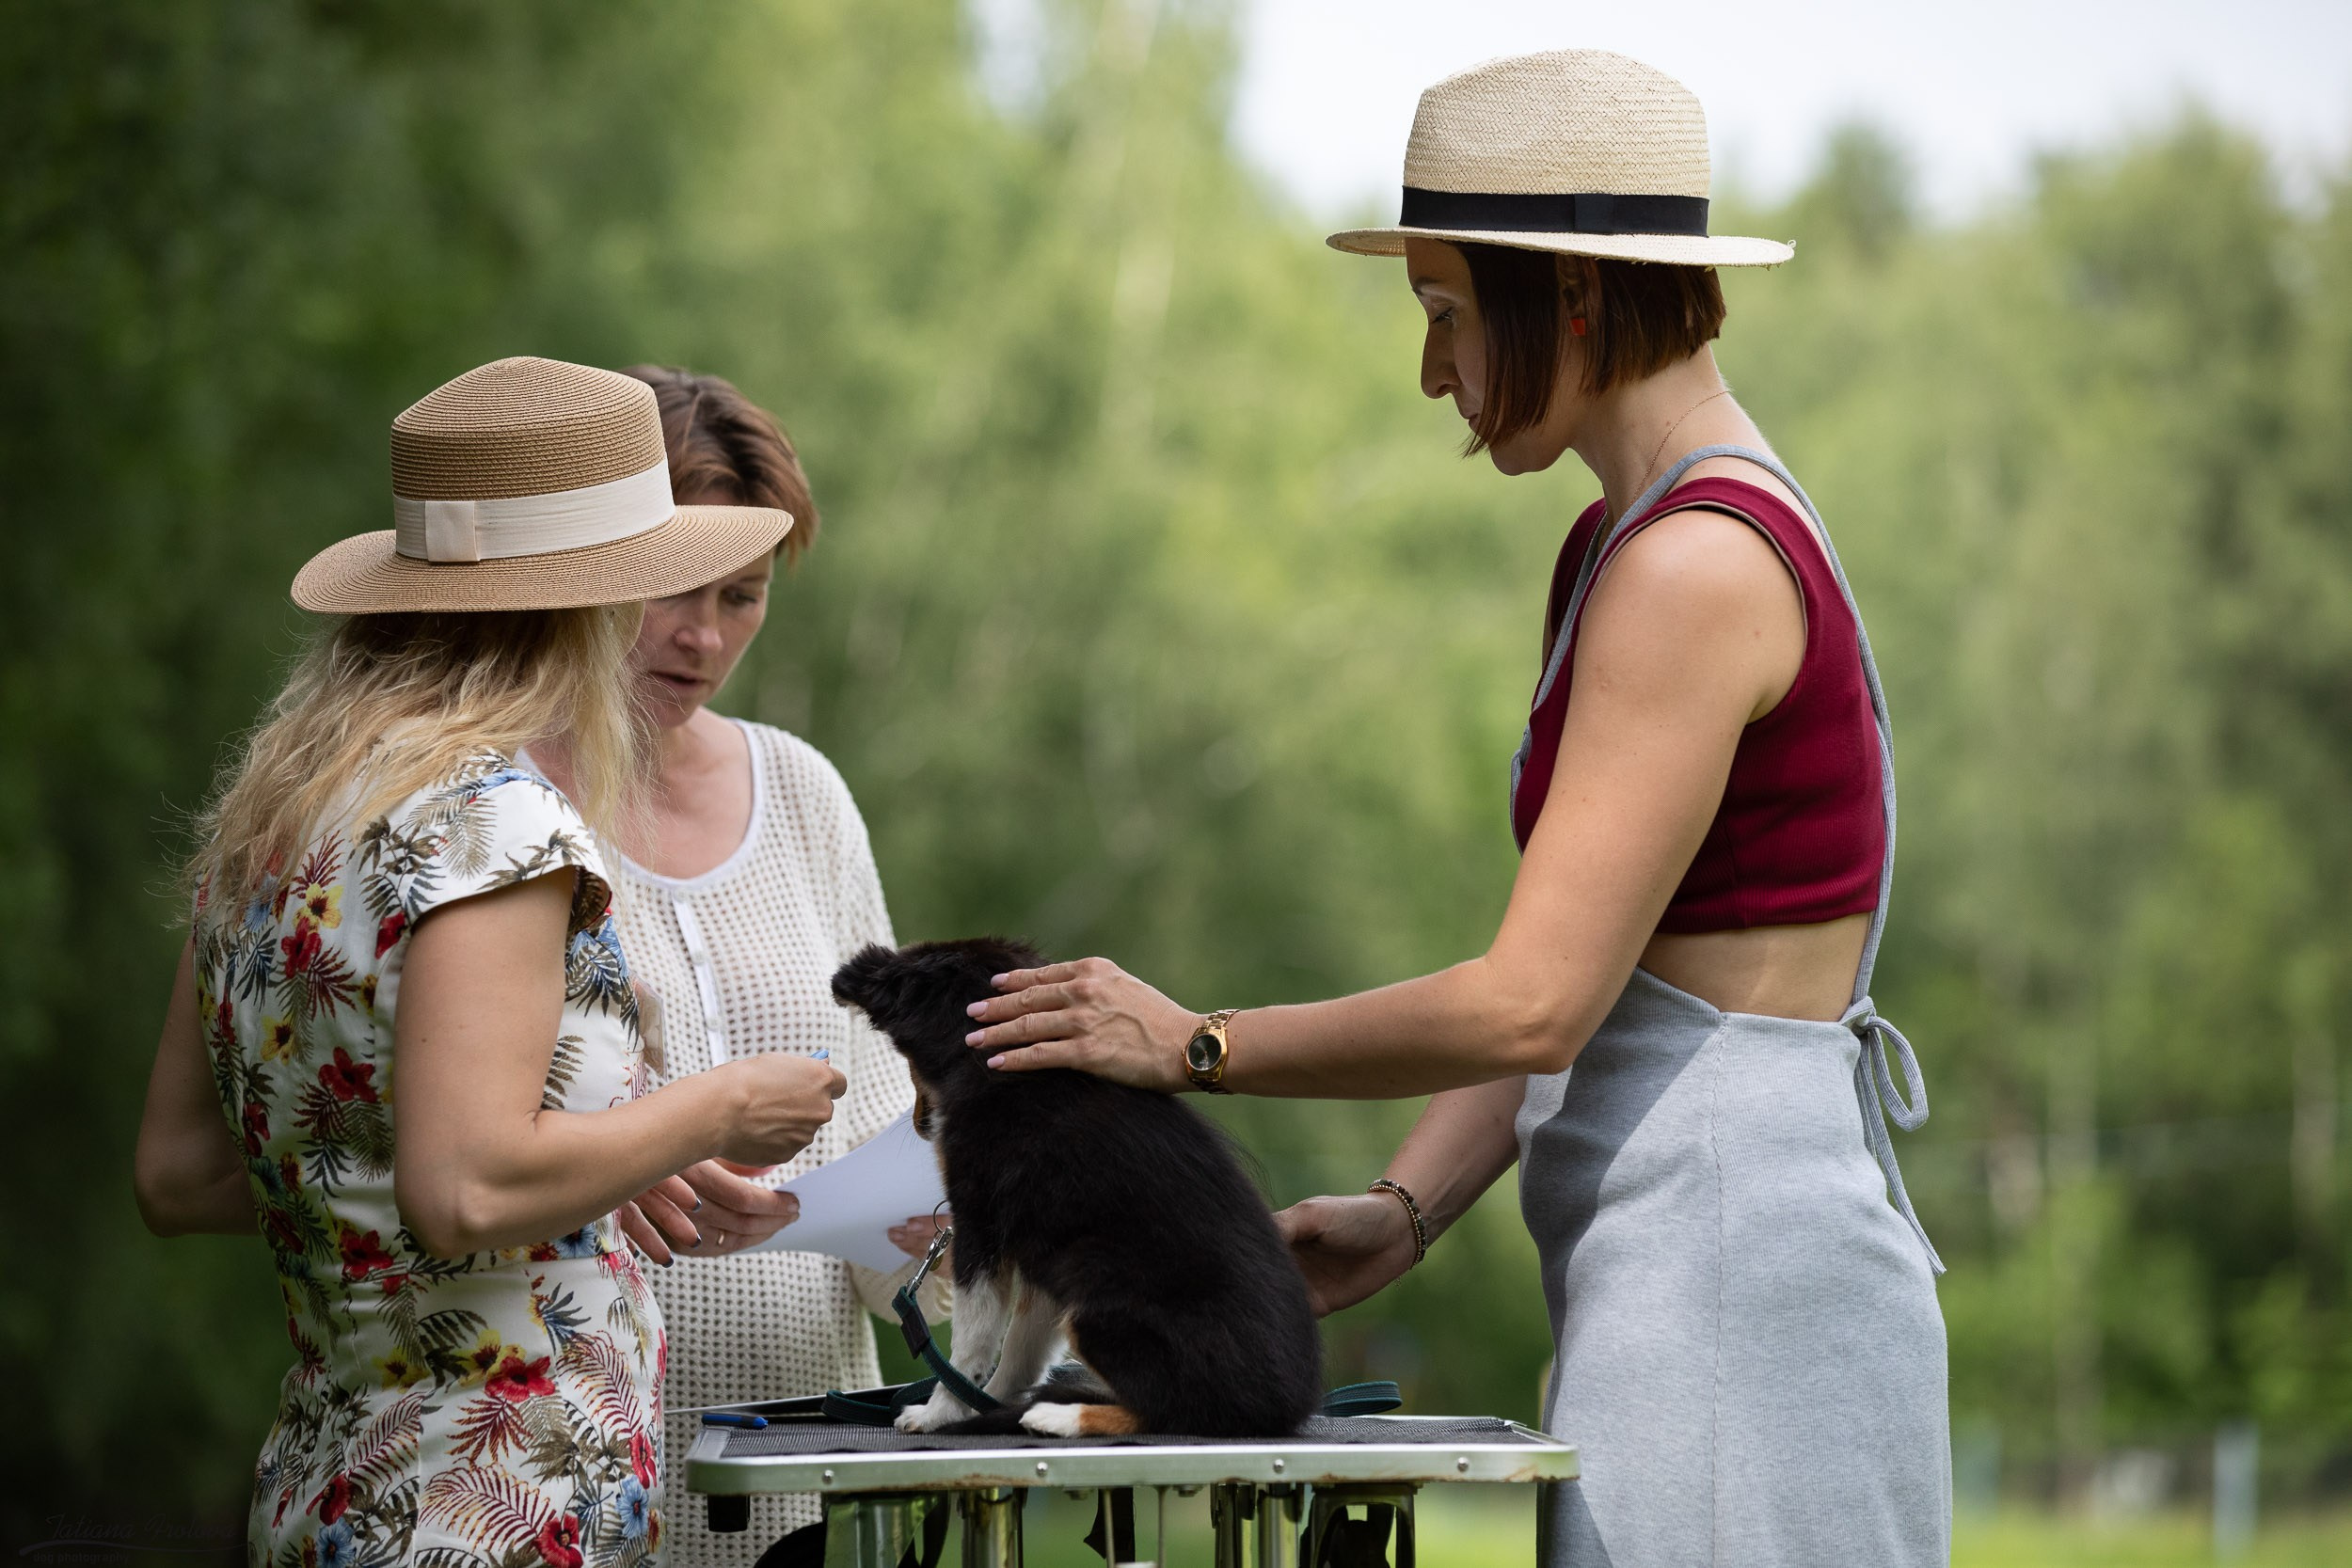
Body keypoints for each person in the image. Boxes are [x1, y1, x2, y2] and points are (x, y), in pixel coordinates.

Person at [955, 52, 1950, 1568]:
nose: (1430, 371)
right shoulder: (1618, 549)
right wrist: (1406, 1206)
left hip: (1744, 1280)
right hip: (1680, 1258)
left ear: (1564, 293)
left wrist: (1199, 1043)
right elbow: (1586, 980)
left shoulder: (1694, 569)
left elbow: (1535, 1001)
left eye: (1443, 311)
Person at [132, 357, 845, 1568]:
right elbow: (461, 1188)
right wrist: (715, 1105)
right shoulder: (497, 826)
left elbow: (183, 1172)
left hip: (333, 1487)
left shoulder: (278, 823)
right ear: (582, 598)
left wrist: (531, 1180)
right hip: (489, 1503)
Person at [531, 366, 945, 1565]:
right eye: (671, 590)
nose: (703, 635)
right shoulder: (486, 810)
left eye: (743, 594)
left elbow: (884, 1121)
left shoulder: (805, 792)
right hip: (569, 1479)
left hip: (807, 1497)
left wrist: (979, 1223)